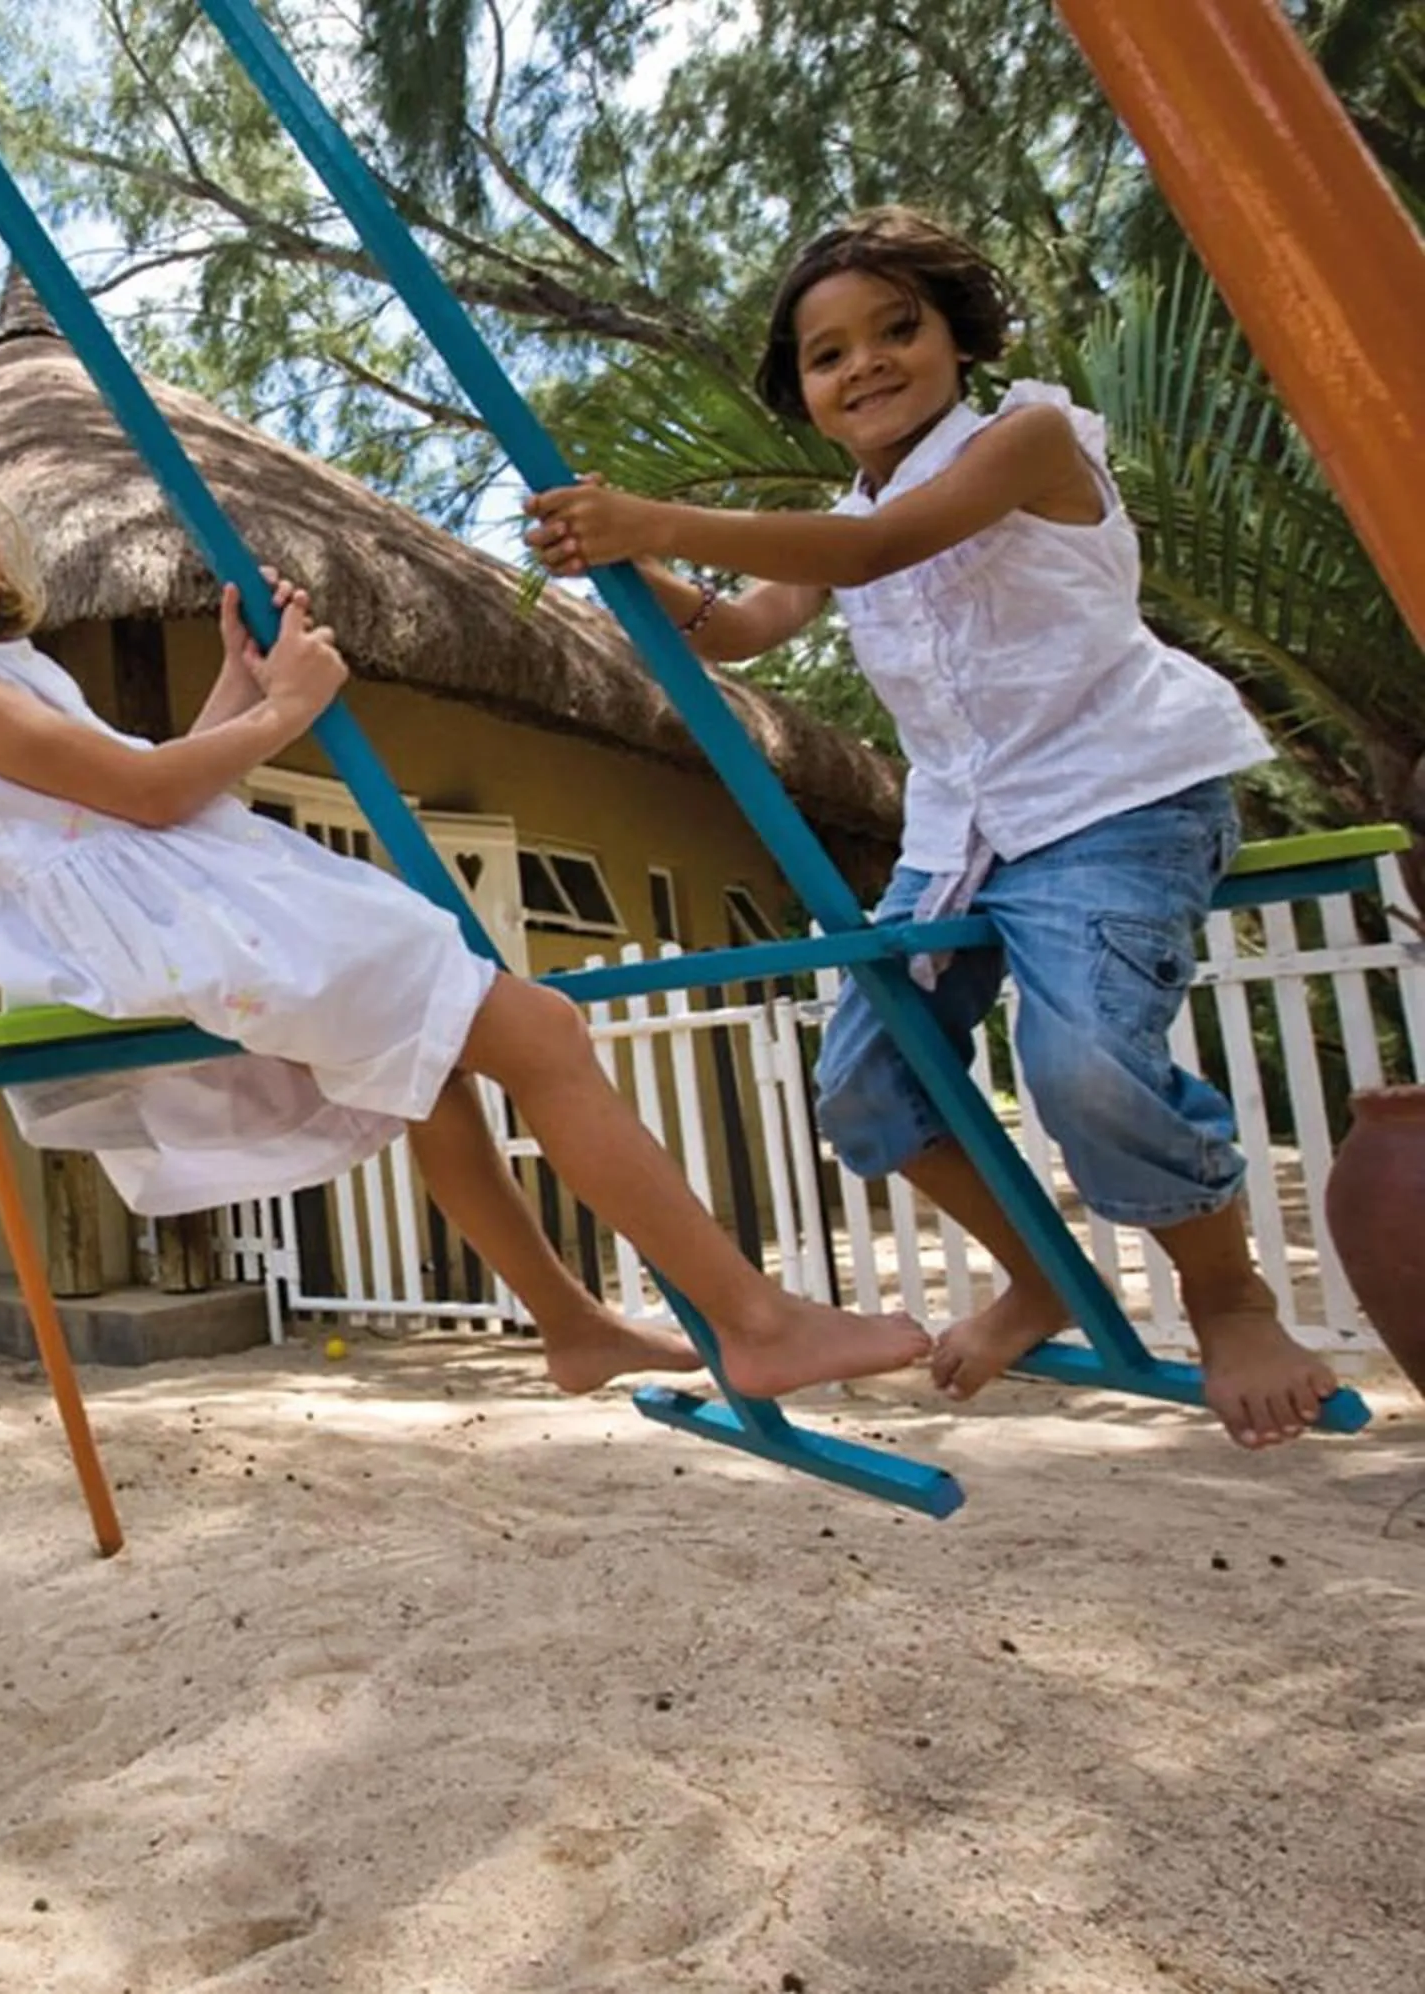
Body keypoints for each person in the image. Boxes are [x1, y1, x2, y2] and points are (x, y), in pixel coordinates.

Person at [0, 396, 931, 1400]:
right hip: (168, 932)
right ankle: (756, 1320)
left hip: (179, 902)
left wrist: (237, 681)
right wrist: (289, 705)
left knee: (428, 1072)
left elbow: (125, 792)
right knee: (543, 1032)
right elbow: (139, 795)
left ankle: (573, 1326)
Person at [522, 206, 1338, 1449]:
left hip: (1115, 796)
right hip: (964, 830)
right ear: (804, 392)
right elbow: (740, 629)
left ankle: (1229, 1296)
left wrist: (660, 518)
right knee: (862, 1086)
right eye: (829, 354)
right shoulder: (840, 505)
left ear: (959, 333)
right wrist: (632, 573)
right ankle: (1043, 1271)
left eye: (896, 329)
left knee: (1083, 1065)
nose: (867, 365)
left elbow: (884, 547)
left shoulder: (1030, 436)